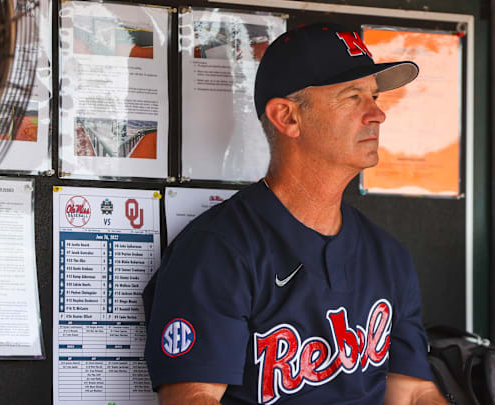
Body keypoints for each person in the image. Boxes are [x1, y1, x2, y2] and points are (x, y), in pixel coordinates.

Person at [143, 22, 446, 404]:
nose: (377, 114)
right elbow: (194, 397)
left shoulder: (387, 256)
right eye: (353, 97)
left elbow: (413, 392)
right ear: (287, 117)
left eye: (374, 97)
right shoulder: (218, 252)